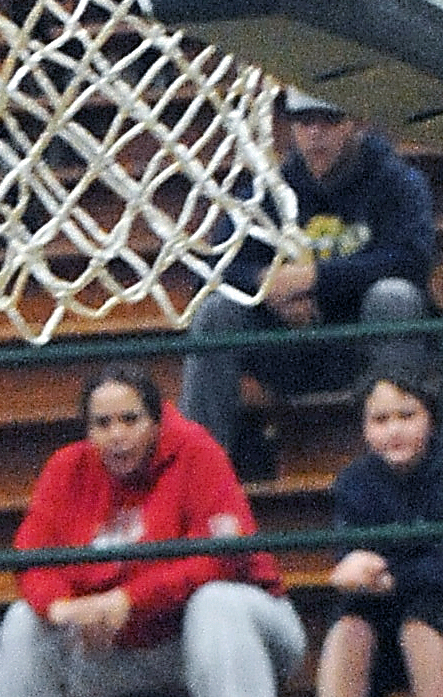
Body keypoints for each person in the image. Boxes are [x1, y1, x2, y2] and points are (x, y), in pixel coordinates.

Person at [0, 368, 305, 697]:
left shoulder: (196, 450)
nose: (117, 435)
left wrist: (129, 599)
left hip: (233, 638)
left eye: (130, 420)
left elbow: (222, 556)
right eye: (102, 424)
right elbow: (31, 557)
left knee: (217, 603)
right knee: (24, 621)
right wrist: (62, 607)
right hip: (113, 648)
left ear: (156, 422)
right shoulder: (67, 469)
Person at [178, 97, 435, 469]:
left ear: (356, 121)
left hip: (364, 348)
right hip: (292, 348)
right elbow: (212, 264)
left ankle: (402, 463)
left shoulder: (396, 180)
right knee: (216, 313)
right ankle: (197, 473)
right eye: (303, 120)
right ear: (290, 126)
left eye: (329, 118)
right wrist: (265, 285)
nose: (315, 131)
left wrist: (316, 278)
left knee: (395, 297)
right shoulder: (269, 185)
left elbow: (413, 260)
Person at [316, 366, 443, 697]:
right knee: (349, 624)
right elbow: (351, 554)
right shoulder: (354, 481)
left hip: (432, 604)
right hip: (384, 602)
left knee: (420, 624)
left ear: (431, 418)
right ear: (364, 427)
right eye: (380, 419)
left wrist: (395, 577)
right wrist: (352, 567)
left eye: (407, 416)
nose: (394, 430)